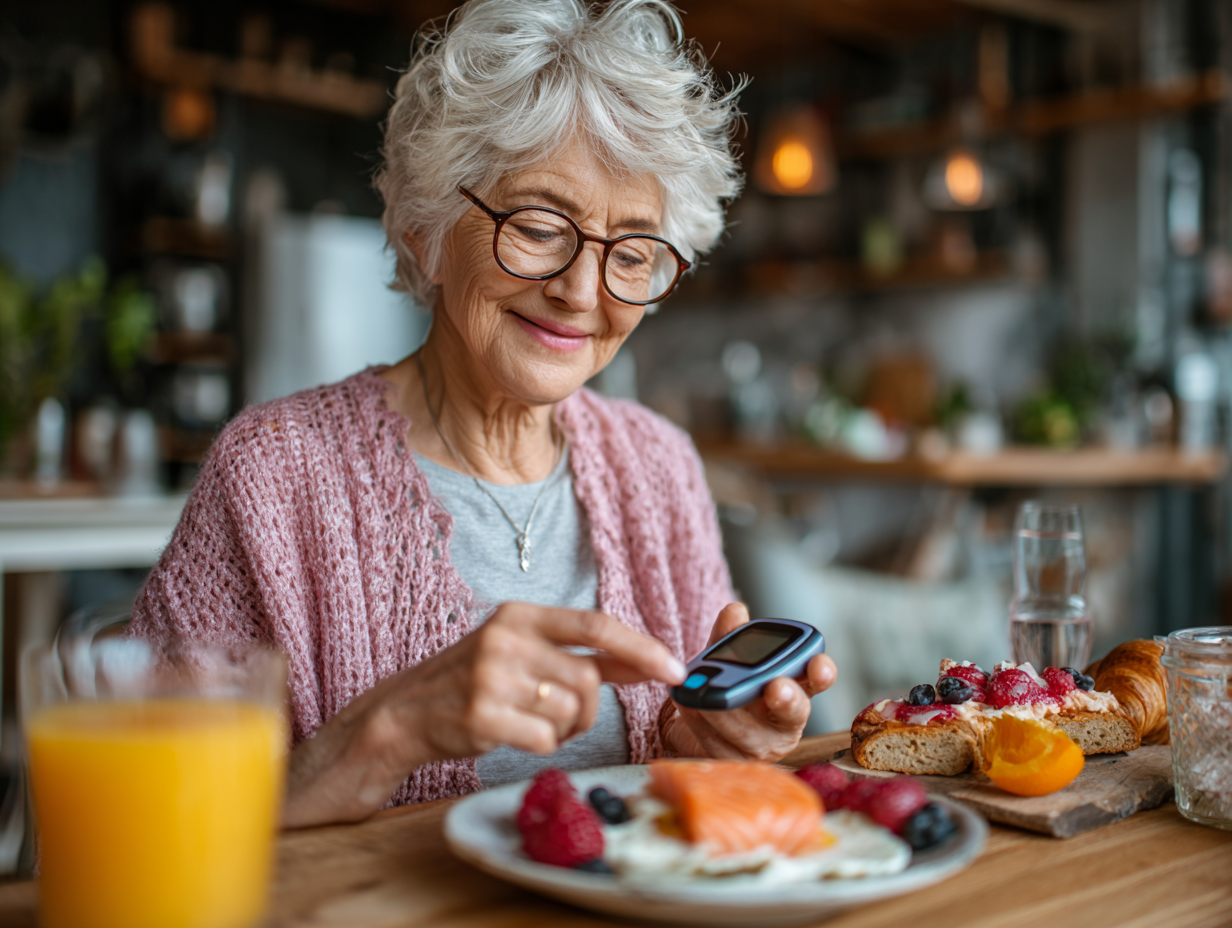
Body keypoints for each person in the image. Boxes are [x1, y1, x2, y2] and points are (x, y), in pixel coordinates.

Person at [129, 0, 837, 827]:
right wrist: (386, 732)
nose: (581, 291)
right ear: (428, 226)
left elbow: (675, 820)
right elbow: (133, 832)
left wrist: (696, 751)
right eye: (538, 227)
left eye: (634, 254)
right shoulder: (273, 474)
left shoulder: (661, 466)